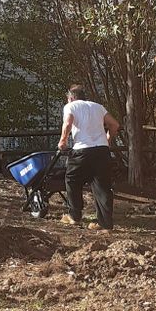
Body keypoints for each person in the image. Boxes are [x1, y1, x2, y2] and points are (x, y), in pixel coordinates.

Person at [58, 84, 119, 231]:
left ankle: (74, 215)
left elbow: (67, 123)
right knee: (103, 186)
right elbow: (115, 124)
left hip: (82, 151)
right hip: (102, 151)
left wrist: (63, 141)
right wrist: (108, 139)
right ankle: (105, 224)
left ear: (71, 97)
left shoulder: (71, 106)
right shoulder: (98, 107)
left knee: (72, 179)